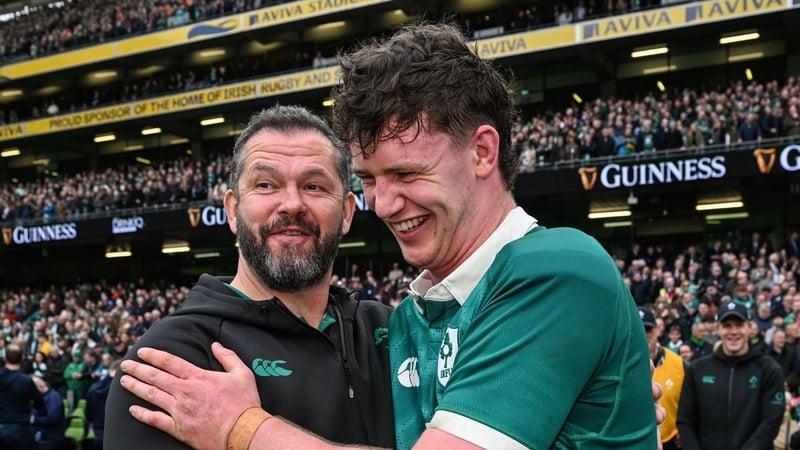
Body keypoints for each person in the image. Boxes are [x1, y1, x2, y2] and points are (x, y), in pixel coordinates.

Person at [119, 22, 658, 449]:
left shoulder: (557, 268)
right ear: (231, 210)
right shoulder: (406, 322)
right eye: (372, 178)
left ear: (482, 152)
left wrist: (241, 428)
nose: (385, 202)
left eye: (406, 174)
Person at [104, 105, 395, 448]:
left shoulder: (393, 332)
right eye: (266, 184)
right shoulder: (172, 356)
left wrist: (244, 430)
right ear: (232, 210)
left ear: (346, 213)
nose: (292, 204)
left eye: (314, 186)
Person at [677, 302, 785, 449]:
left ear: (749, 328)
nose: (733, 331)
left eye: (739, 325)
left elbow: (771, 421)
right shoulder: (697, 370)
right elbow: (686, 421)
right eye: (727, 325)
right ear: (718, 329)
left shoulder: (769, 370)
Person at [640, 307, 685, 450]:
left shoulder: (678, 363)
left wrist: (683, 432)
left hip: (672, 440)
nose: (642, 334)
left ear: (657, 331)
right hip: (637, 440)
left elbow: (689, 403)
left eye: (647, 329)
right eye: (637, 329)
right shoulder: (618, 367)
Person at [0, 343, 45, 449]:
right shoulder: (26, 381)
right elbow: (40, 405)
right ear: (22, 358)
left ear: (5, 358)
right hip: (21, 430)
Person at [86, 360, 120, 450]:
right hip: (115, 433)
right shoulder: (120, 391)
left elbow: (88, 413)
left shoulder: (93, 388)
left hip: (97, 431)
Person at [31, 374, 67, 450]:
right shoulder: (42, 396)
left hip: (51, 439)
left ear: (40, 387)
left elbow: (52, 418)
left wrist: (33, 419)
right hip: (44, 436)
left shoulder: (53, 397)